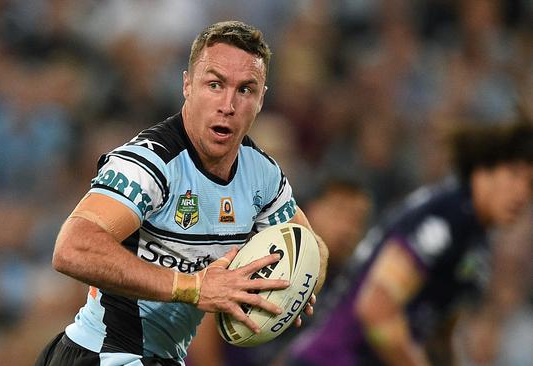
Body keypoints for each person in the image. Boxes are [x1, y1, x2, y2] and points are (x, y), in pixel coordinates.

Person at [35, 20, 329, 366]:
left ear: (262, 99)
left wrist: (300, 282)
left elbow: (311, 245)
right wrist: (193, 287)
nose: (228, 105)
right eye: (215, 84)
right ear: (187, 85)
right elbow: (71, 248)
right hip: (104, 354)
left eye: (245, 90)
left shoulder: (261, 174)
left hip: (164, 358)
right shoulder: (149, 163)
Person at [283, 120, 533, 366]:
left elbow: (438, 333)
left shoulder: (474, 239)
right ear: (482, 168)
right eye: (514, 175)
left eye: (530, 185)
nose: (522, 193)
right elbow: (376, 309)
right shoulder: (445, 215)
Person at [186, 178, 371, 366]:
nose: (349, 228)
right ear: (312, 208)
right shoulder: (265, 248)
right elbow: (205, 322)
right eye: (339, 212)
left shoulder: (348, 287)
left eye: (358, 220)